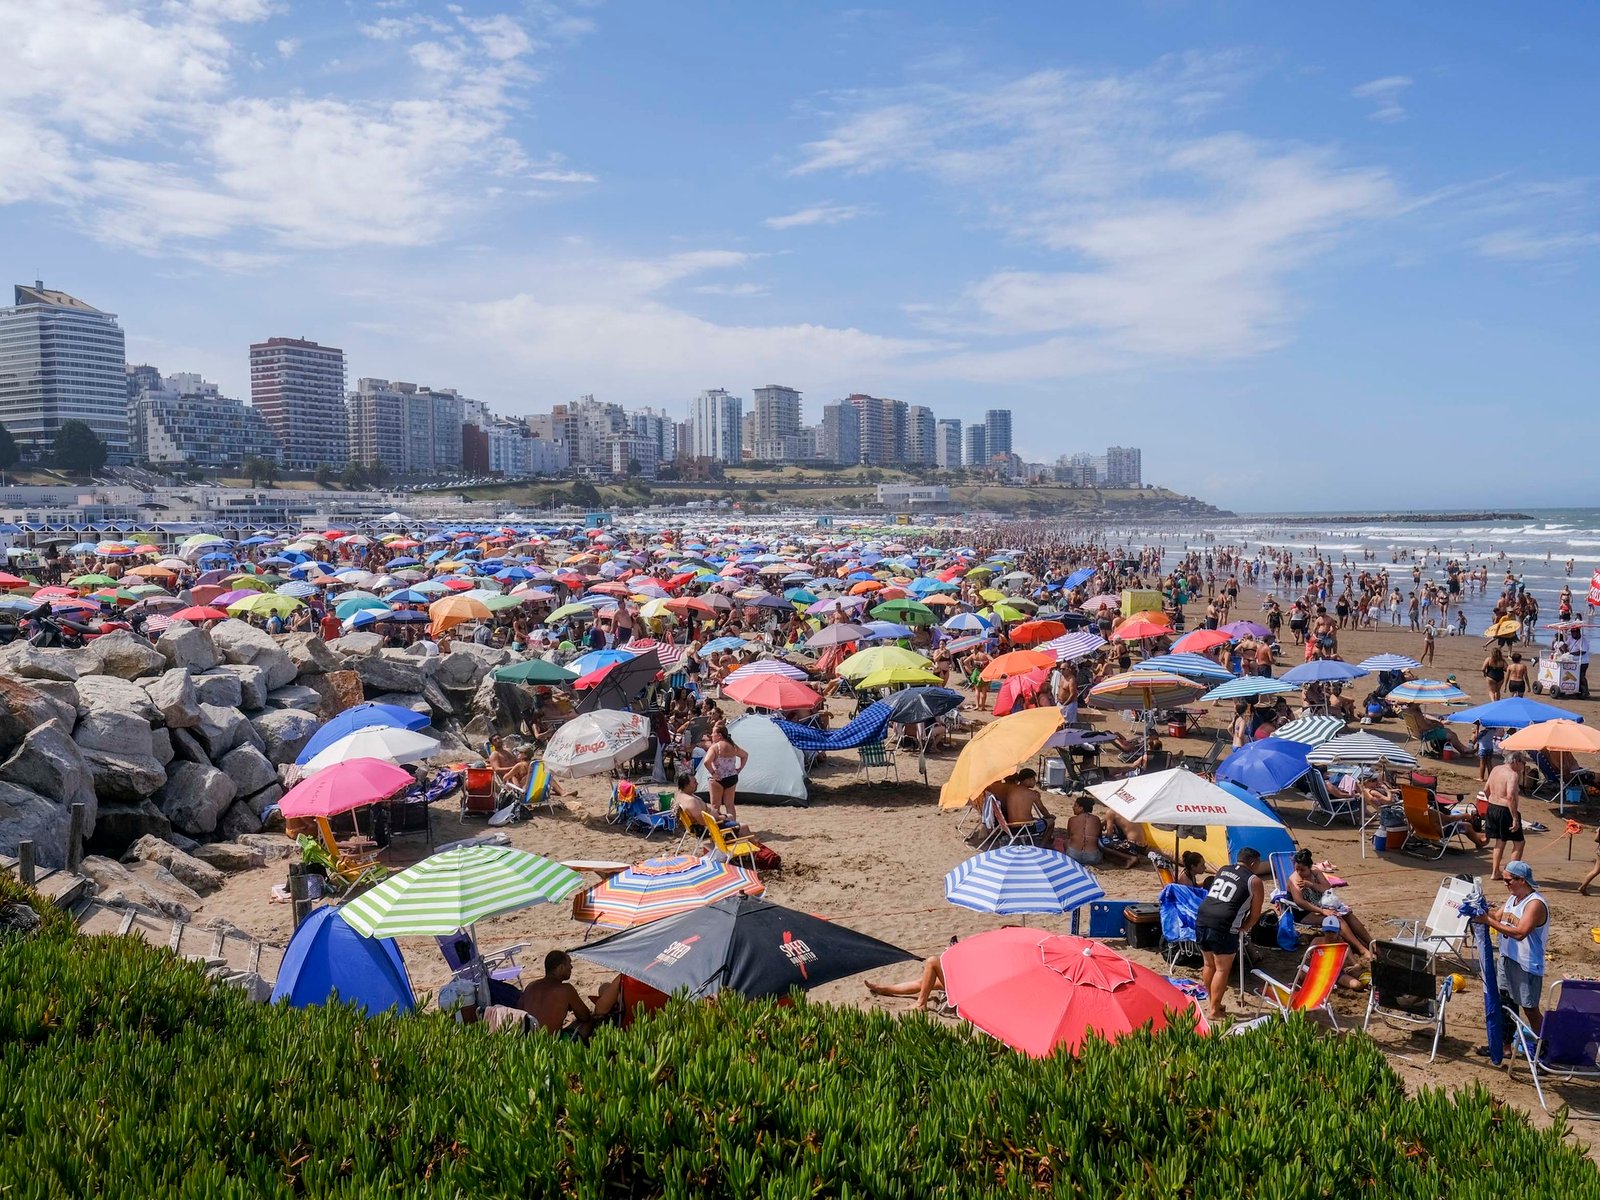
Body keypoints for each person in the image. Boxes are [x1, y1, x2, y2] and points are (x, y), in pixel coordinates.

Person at [1472, 860, 1549, 1054]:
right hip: (1507, 959)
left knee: (1530, 1009)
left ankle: (1545, 1051)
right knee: (1504, 1002)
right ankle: (1503, 1046)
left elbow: (1520, 932)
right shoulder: (1512, 899)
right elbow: (1496, 918)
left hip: (1526, 964)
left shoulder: (1535, 904)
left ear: (1521, 880)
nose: (1505, 884)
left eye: (1508, 881)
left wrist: (1487, 920)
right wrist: (1478, 909)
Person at [1195, 847, 1264, 1023]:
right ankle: (1213, 1010)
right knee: (1222, 968)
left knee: (1208, 964)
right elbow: (1255, 914)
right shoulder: (1254, 881)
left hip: (1202, 917)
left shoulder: (1223, 869)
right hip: (1224, 924)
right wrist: (1244, 927)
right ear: (1254, 863)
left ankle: (1213, 1003)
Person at [1286, 848, 1374, 961]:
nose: (1299, 872)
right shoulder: (1294, 880)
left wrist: (1311, 884)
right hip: (1303, 912)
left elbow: (1327, 888)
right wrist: (1322, 911)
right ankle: (1362, 949)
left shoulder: (1315, 872)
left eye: (1302, 870)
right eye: (1296, 868)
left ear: (1310, 867)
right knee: (1337, 919)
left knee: (1348, 914)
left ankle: (1371, 943)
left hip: (1320, 906)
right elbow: (1300, 902)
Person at [865, 937, 956, 1011]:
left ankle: (920, 1004)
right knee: (924, 982)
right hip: (963, 982)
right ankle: (887, 989)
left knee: (932, 962)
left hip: (964, 989)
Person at [518, 950, 594, 1039]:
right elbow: (585, 1016)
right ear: (561, 967)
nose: (571, 967)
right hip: (552, 1044)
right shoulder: (566, 989)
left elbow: (519, 1010)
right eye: (569, 963)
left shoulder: (531, 986)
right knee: (588, 1022)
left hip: (528, 1042)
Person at [1484, 749, 1526, 880]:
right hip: (1504, 810)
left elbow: (1486, 789)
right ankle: (1512, 874)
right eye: (1523, 763)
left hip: (1492, 807)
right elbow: (1510, 797)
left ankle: (1495, 872)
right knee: (1519, 843)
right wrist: (1515, 818)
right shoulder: (1512, 775)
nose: (1523, 766)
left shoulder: (1496, 769)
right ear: (1516, 761)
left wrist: (1491, 802)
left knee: (1500, 841)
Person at [704, 722, 748, 826]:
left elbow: (706, 761)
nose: (711, 735)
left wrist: (713, 773)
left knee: (715, 806)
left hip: (718, 778)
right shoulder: (732, 746)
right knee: (730, 805)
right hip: (732, 777)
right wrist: (739, 768)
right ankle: (733, 826)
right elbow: (745, 755)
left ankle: (715, 828)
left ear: (719, 735)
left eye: (713, 733)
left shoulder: (715, 747)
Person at [1063, 795, 1104, 865]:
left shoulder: (1072, 820)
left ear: (1081, 808)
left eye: (1075, 806)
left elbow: (1070, 837)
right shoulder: (1096, 819)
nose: (1073, 807)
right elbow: (1099, 837)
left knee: (1066, 842)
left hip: (1073, 855)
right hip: (1093, 857)